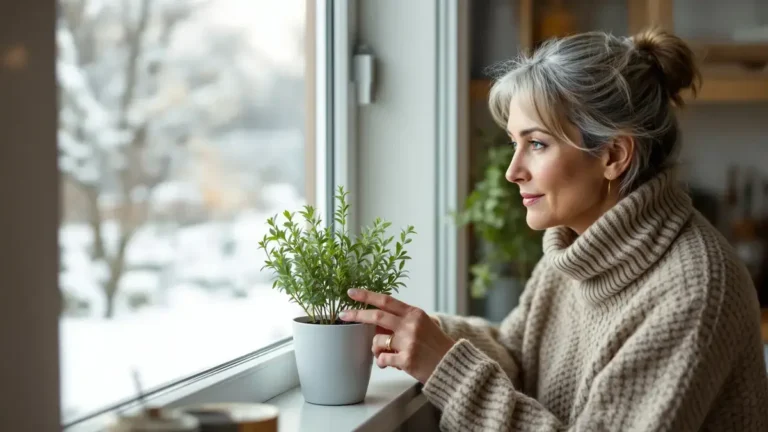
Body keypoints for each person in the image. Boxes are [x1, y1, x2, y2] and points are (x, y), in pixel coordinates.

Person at [340, 27, 768, 431]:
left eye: (537, 144)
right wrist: (422, 333)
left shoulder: (694, 288)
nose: (512, 171)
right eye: (515, 143)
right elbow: (517, 357)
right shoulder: (576, 249)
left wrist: (447, 367)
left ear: (614, 155)